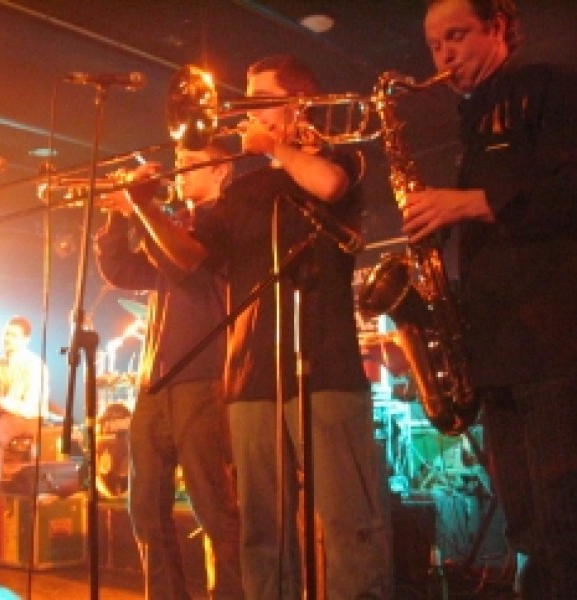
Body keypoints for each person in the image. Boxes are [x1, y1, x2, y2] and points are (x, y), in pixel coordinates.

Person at [123, 55, 391, 599]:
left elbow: (329, 185)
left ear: (298, 104)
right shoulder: (243, 193)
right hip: (250, 380)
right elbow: (190, 262)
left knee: (349, 525)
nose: (244, 111)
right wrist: (144, 208)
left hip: (326, 368)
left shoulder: (341, 158)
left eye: (259, 100)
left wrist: (277, 148)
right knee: (262, 536)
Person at [404, 1, 577, 596]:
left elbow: (567, 190)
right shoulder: (474, 116)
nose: (443, 56)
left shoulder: (546, 85)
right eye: (434, 46)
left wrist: (468, 202)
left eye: (456, 37)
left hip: (550, 345)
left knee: (563, 524)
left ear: (498, 27)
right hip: (499, 349)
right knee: (527, 527)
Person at [94, 140, 244, 599]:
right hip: (154, 383)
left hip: (204, 377)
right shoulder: (173, 224)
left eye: (193, 164)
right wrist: (119, 217)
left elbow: (187, 267)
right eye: (179, 164)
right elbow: (122, 271)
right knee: (146, 509)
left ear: (221, 172)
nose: (180, 172)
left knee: (213, 508)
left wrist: (142, 208)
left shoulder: (224, 220)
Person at [0, 315, 50, 531]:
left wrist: (2, 403)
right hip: (5, 415)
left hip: (28, 417)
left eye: (13, 335)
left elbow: (32, 405)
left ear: (26, 339)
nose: (7, 339)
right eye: (6, 334)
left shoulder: (34, 365)